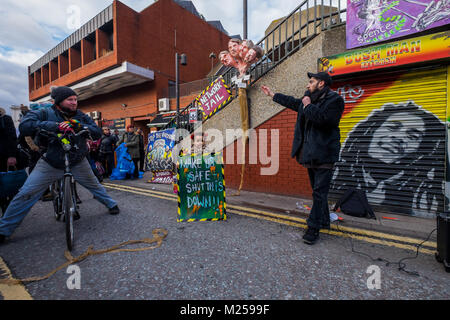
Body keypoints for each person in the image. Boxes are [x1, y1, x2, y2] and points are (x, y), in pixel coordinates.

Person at [0, 86, 120, 245]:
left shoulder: (80, 115)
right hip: (51, 162)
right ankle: (4, 230)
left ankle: (111, 204)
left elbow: (96, 131)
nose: (74, 102)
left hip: (77, 160)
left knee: (95, 185)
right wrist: (55, 126)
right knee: (26, 193)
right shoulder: (44, 113)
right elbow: (25, 126)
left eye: (75, 99)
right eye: (70, 99)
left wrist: (80, 126)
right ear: (58, 101)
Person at [261, 72, 344, 245]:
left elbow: (324, 121)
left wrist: (307, 106)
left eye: (311, 82)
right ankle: (324, 221)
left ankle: (313, 229)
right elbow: (292, 102)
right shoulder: (309, 101)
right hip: (310, 155)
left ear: (321, 83)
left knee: (319, 192)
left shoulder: (335, 101)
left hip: (325, 155)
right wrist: (272, 94)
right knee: (318, 192)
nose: (308, 85)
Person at [331, 101, 445, 216]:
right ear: (370, 131)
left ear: (419, 151)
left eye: (413, 136)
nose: (398, 137)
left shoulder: (424, 194)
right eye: (392, 127)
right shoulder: (335, 170)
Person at [0, 107, 19, 215]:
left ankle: (9, 209)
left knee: (9, 183)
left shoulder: (5, 119)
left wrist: (12, 156)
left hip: (5, 157)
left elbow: (12, 137)